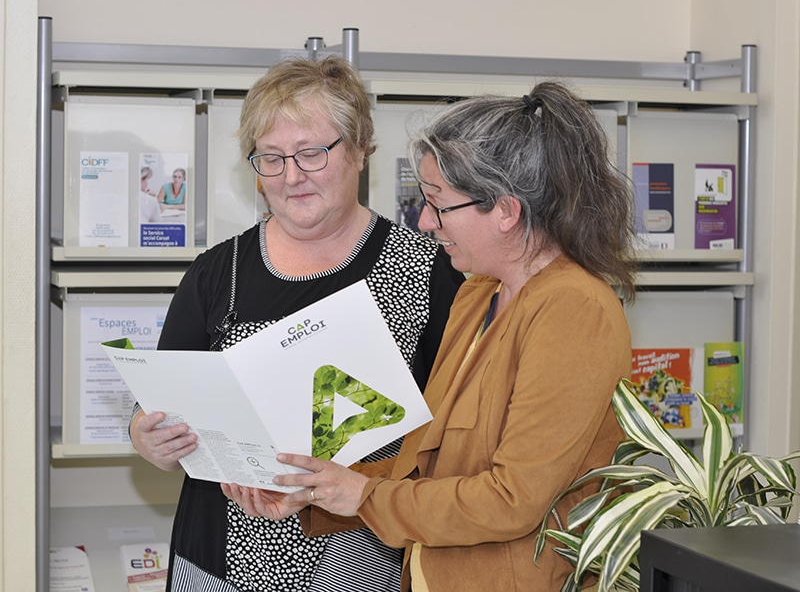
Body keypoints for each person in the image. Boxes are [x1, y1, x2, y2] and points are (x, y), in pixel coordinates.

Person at [227, 82, 637, 591]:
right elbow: (428, 467)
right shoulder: (477, 295)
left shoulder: (574, 309)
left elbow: (513, 500)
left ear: (506, 211)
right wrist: (317, 491)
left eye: (439, 204)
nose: (425, 222)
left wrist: (361, 496)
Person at [128, 56, 465, 592]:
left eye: (311, 153)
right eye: (271, 158)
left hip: (358, 560)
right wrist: (148, 438)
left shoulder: (428, 269)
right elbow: (156, 406)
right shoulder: (220, 271)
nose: (291, 177)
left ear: (359, 150)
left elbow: (459, 433)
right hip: (217, 560)